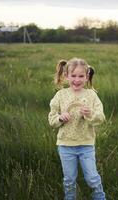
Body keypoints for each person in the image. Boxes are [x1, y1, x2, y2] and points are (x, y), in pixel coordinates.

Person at [48, 58, 106, 200]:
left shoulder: (91, 95)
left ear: (87, 77)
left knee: (92, 177)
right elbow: (52, 119)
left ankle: (100, 197)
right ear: (66, 76)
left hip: (86, 144)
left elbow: (101, 117)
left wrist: (90, 114)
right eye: (73, 76)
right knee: (69, 180)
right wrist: (61, 118)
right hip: (66, 146)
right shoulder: (60, 95)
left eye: (81, 76)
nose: (77, 80)